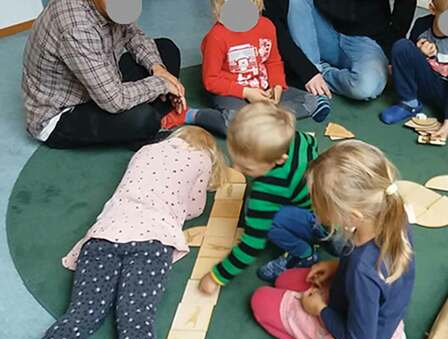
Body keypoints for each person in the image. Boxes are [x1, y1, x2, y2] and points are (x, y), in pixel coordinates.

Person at [1, 127, 227, 339]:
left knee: (80, 315)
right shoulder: (202, 159)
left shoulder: (146, 151)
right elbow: (194, 207)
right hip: (153, 238)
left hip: (105, 234)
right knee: (135, 314)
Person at [251, 141, 416, 339]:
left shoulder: (362, 270)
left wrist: (319, 310)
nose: (317, 213)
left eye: (320, 207)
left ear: (352, 215)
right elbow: (377, 279)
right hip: (377, 312)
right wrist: (337, 267)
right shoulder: (394, 216)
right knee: (284, 280)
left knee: (260, 300)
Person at [22, 0, 220, 148]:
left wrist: (158, 70)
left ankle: (144, 123)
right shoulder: (76, 27)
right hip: (64, 113)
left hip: (100, 79)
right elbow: (113, 100)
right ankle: (143, 128)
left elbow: (135, 36)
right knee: (142, 118)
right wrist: (161, 84)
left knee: (166, 50)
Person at [198, 102, 319, 294]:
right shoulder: (298, 138)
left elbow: (252, 244)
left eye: (246, 168)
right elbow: (314, 146)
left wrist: (216, 277)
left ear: (279, 159)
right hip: (323, 201)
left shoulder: (266, 189)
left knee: (260, 220)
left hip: (318, 220)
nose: (237, 170)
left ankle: (304, 254)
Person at [198, 0, 331, 134]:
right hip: (231, 92)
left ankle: (259, 118)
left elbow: (273, 61)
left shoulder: (267, 26)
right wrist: (246, 92)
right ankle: (195, 115)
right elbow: (211, 80)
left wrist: (277, 85)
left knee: (313, 101)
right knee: (234, 125)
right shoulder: (216, 37)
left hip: (264, 87)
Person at [263, 0, 417, 100]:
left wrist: (391, 49)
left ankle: (321, 75)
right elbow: (273, 21)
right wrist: (307, 71)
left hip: (366, 39)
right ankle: (314, 72)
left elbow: (405, 6)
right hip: (323, 30)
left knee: (366, 88)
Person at [380, 0, 448, 141]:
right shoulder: (422, 25)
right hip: (426, 79)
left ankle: (437, 105)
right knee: (402, 46)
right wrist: (420, 52)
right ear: (432, 9)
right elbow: (409, 56)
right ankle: (409, 102)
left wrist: (447, 124)